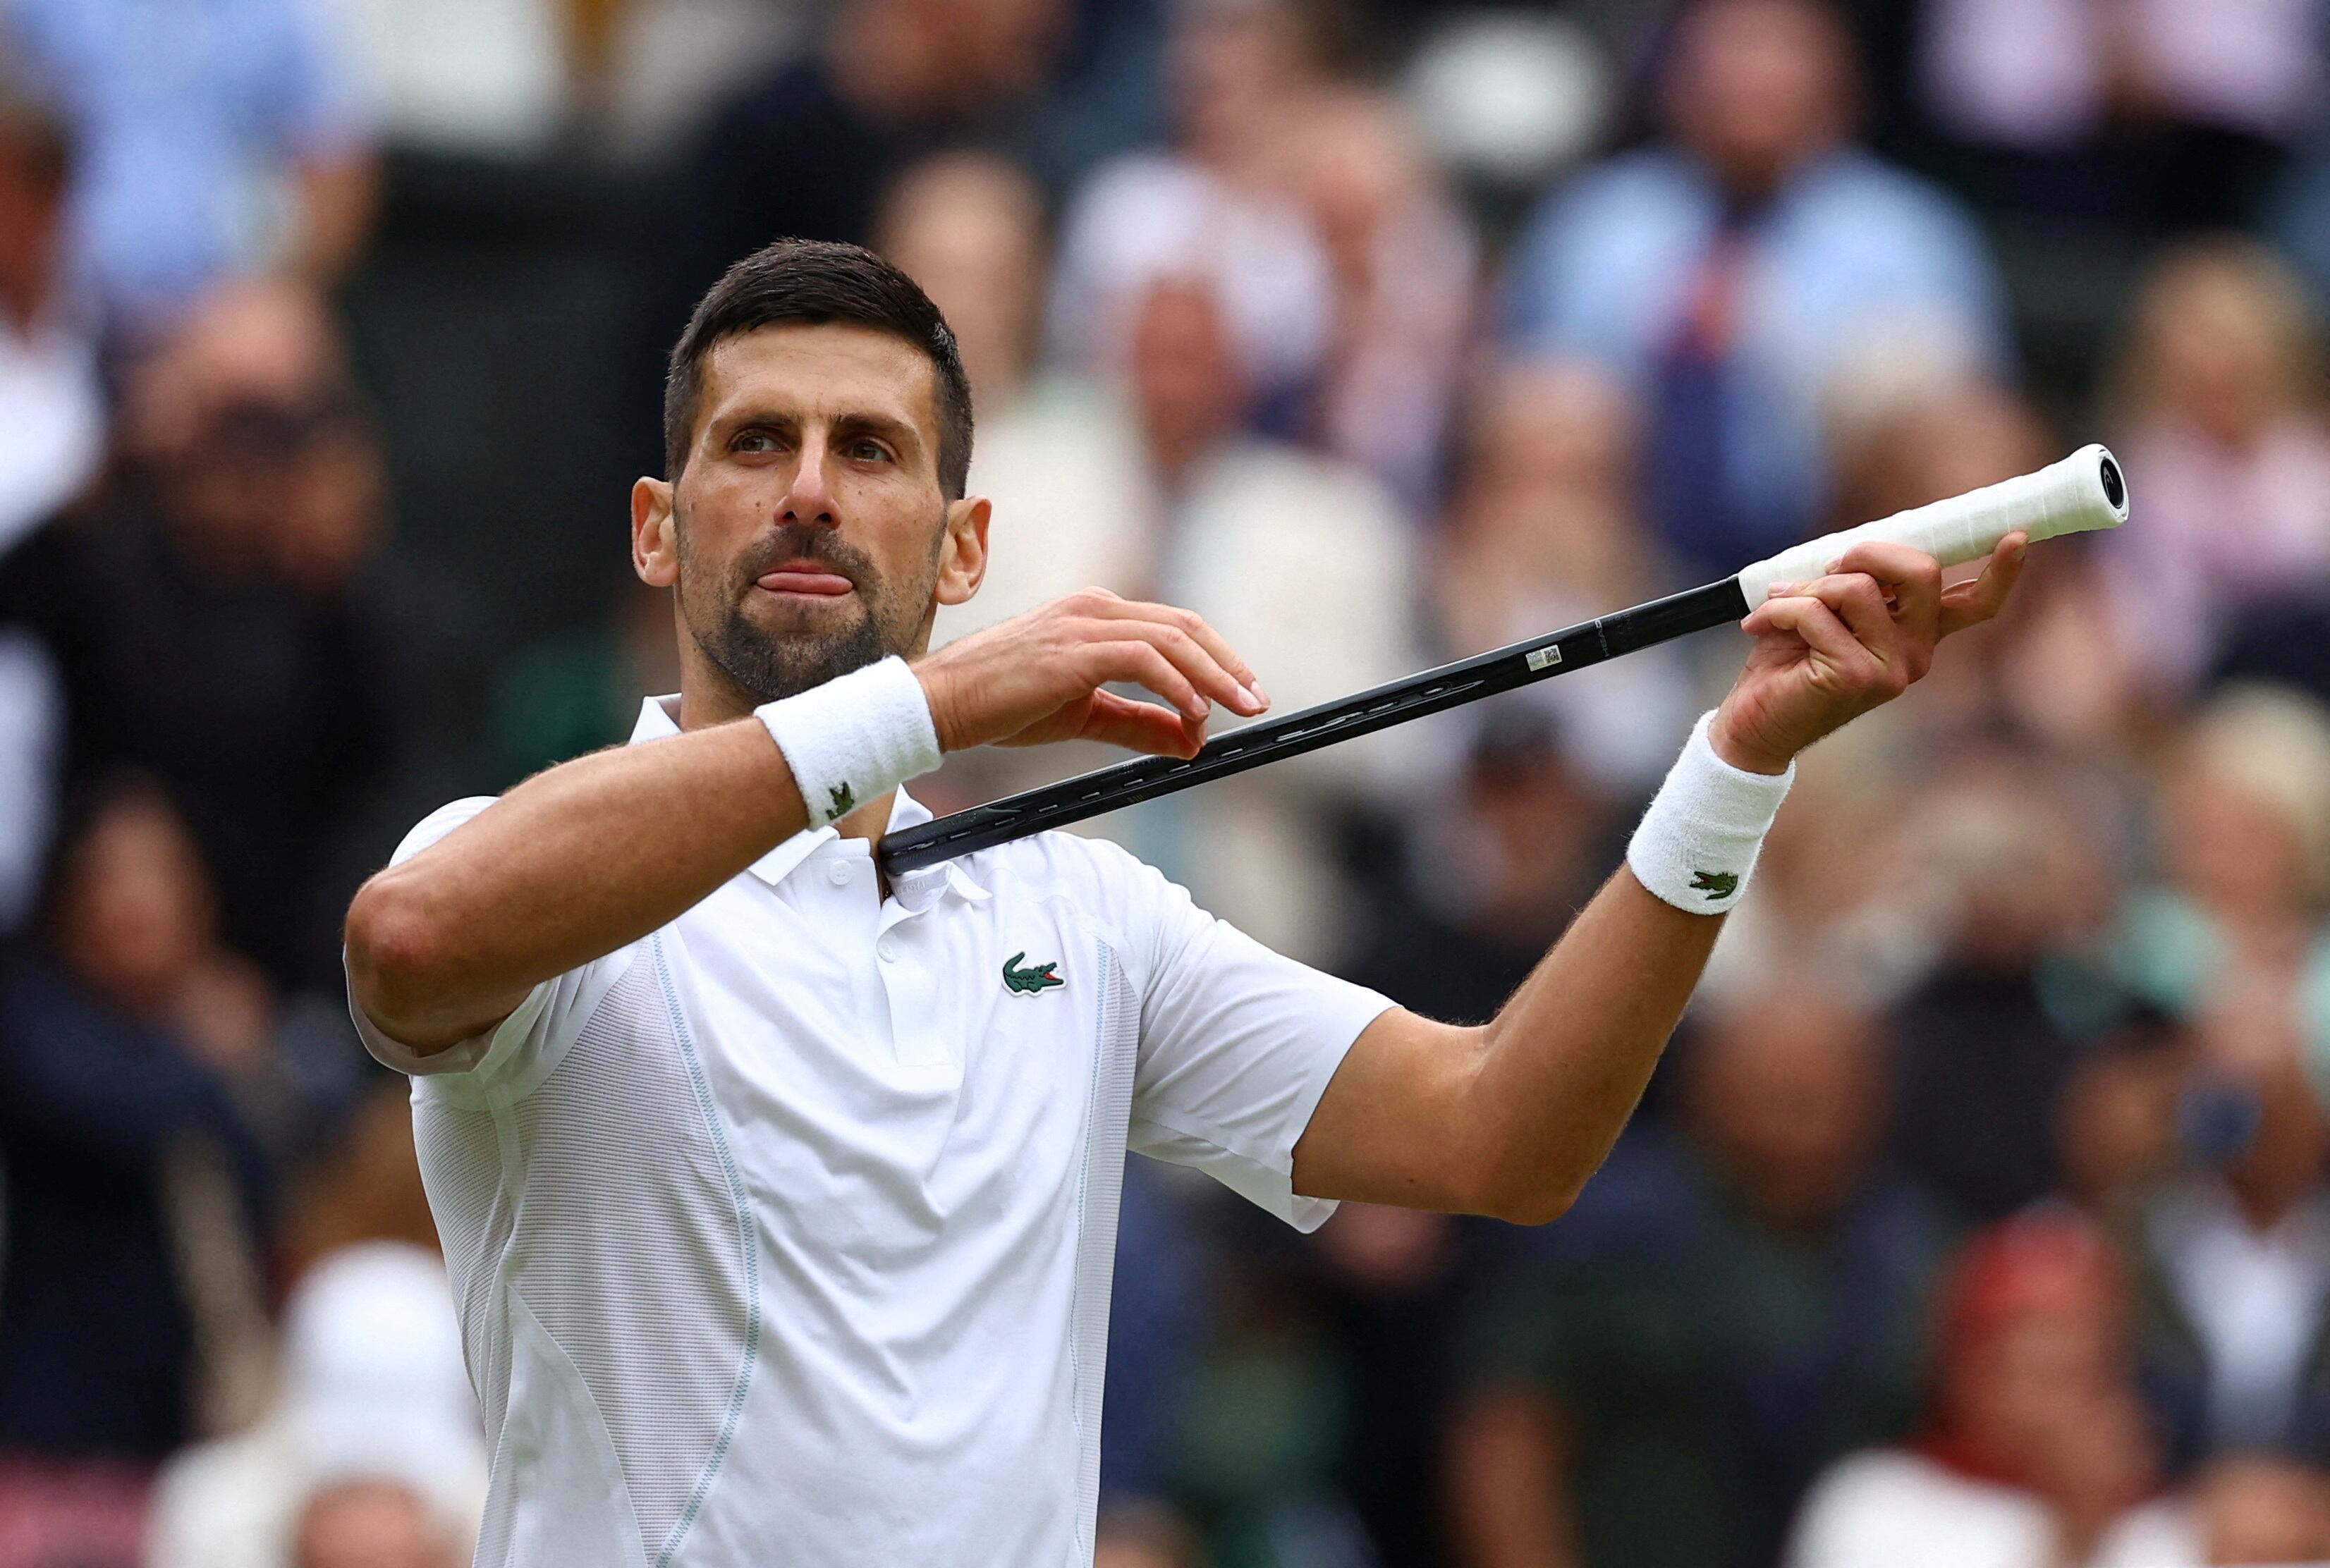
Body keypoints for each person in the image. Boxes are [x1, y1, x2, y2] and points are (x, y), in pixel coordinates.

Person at [341, 237, 2026, 1562]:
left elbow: (1502, 1128)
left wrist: (1741, 755)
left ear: (961, 546)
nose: (807, 488)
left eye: (869, 449)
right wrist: (938, 705)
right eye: (753, 443)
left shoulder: (1083, 917)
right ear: (657, 529)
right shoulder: (523, 864)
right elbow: (411, 943)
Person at [1499, 0, 2010, 583]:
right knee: (1543, 429)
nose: (1756, 76)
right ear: (1675, 79)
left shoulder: (1909, 236)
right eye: (1734, 50)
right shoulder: (1599, 222)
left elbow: (1979, 446)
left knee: (1959, 447)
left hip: (1846, 548)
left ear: (1840, 82)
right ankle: (1579, 670)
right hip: (1621, 553)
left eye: (1783, 50)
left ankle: (1920, 666)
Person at [1448, 991, 1953, 1568]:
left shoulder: (1919, 1251)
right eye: (1766, 1094)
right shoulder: (1604, 1232)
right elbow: (1506, 1437)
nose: (1791, 1129)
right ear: (1704, 1085)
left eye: (1814, 1098)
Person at [0, 781, 272, 1532]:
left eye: (161, 873)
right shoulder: (32, 1023)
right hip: (55, 1458)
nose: (136, 901)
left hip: (198, 1458)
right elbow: (130, 1113)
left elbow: (279, 1169)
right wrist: (214, 1056)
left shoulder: (225, 1041)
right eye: (109, 874)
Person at [1783, 1211, 2193, 1568]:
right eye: (2041, 1371)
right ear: (1963, 1373)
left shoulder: (2171, 1528)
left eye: (2091, 1370)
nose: (2069, 1402)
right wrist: (2073, 1541)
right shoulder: (1875, 1503)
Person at [0, 0, 375, 333]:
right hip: (54, 306)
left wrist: (267, 300)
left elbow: (336, 173)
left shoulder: (279, 16)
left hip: (204, 325)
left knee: (279, 353)